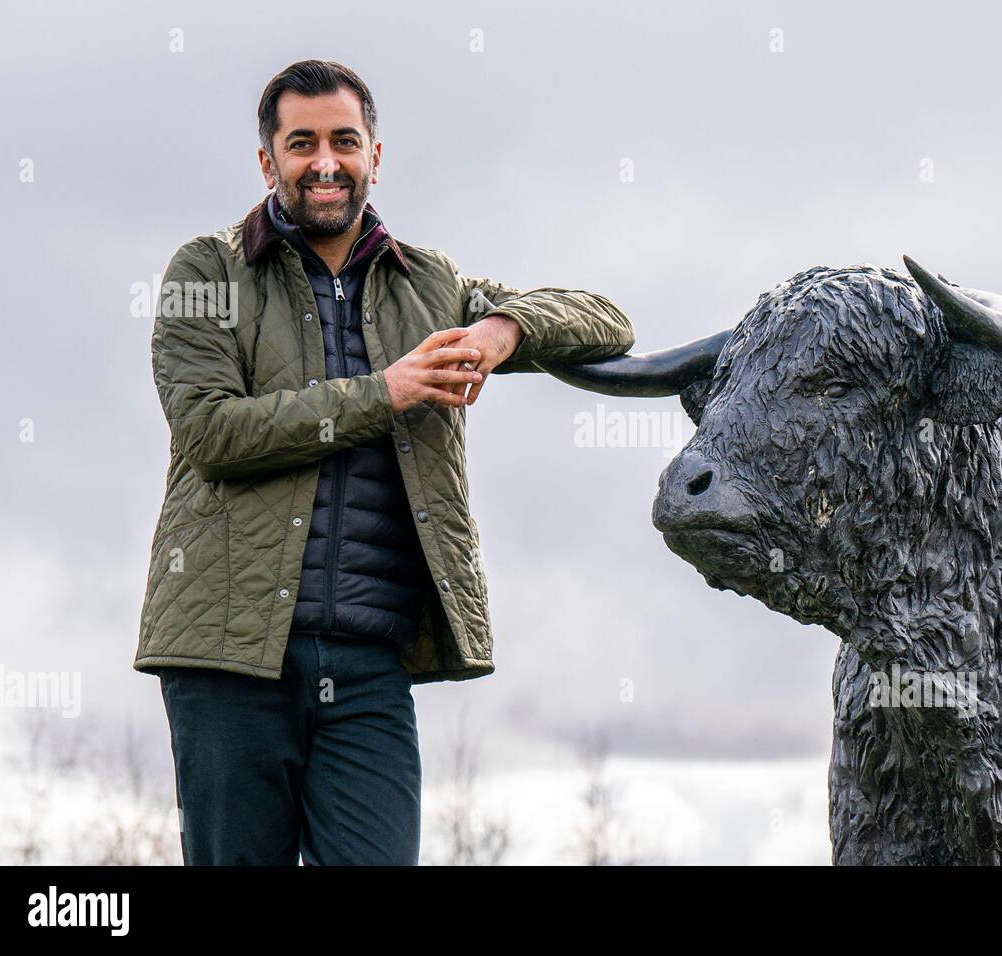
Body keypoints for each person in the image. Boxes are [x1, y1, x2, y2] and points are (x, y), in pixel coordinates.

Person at [134, 59, 636, 865]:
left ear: (375, 154)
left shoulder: (429, 281)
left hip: (369, 666)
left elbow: (607, 321)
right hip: (227, 657)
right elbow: (210, 432)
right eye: (302, 144)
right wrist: (386, 391)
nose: (325, 162)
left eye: (344, 140)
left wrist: (501, 330)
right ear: (269, 162)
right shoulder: (207, 270)